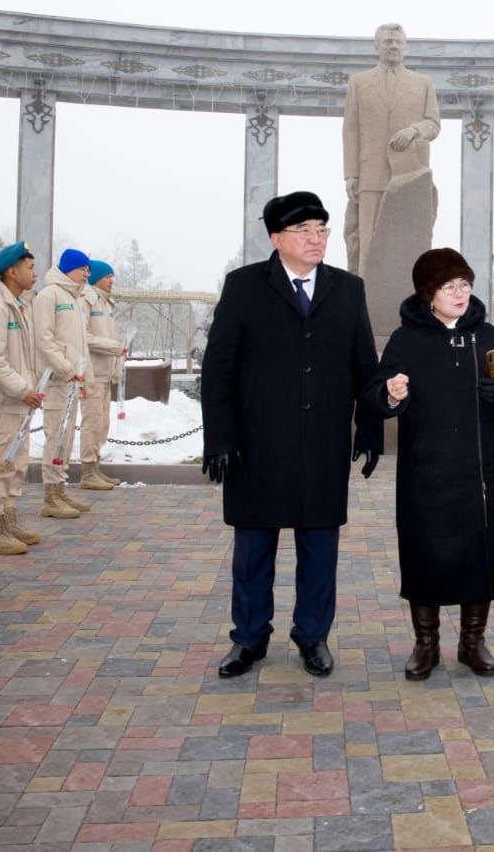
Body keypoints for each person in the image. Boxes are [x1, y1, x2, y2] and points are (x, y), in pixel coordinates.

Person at [200, 191, 383, 679]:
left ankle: (312, 636)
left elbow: (364, 367)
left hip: (322, 445)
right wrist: (219, 439)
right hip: (257, 447)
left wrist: (370, 429)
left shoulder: (348, 289)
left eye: (321, 230)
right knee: (253, 551)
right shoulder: (244, 286)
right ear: (276, 238)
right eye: (303, 231)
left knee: (319, 551)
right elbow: (218, 369)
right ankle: (249, 638)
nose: (315, 239)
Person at [375, 248, 494, 679]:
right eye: (449, 286)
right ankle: (425, 644)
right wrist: (391, 393)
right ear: (428, 293)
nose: (460, 293)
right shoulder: (406, 339)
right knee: (424, 553)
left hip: (479, 472)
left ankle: (472, 642)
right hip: (425, 471)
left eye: (465, 284)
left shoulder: (486, 334)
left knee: (479, 553)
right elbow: (376, 393)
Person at [342, 23, 441, 275]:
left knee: (410, 244)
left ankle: (412, 295)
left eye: (398, 41)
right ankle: (364, 297)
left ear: (406, 47)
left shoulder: (423, 83)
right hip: (370, 174)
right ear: (376, 46)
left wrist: (414, 130)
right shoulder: (358, 82)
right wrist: (351, 174)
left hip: (410, 176)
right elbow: (351, 129)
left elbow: (433, 124)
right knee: (368, 244)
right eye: (387, 41)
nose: (393, 46)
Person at [0, 241, 46, 551]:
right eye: (29, 267)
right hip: (4, 401)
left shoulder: (19, 305)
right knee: (0, 464)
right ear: (11, 272)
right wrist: (22, 388)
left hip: (20, 401)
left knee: (15, 463)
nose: (35, 273)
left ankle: (9, 518)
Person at [33, 248, 93, 517]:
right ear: (68, 268)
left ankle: (60, 488)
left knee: (66, 439)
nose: (86, 274)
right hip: (57, 378)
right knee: (55, 436)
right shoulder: (50, 295)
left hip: (72, 379)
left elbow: (80, 344)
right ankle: (50, 496)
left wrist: (83, 375)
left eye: (88, 270)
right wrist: (64, 368)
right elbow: (44, 339)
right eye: (82, 269)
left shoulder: (76, 299)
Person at [81, 260, 126, 492]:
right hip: (93, 373)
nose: (111, 280)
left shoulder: (107, 303)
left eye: (112, 276)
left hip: (105, 373)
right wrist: (113, 347)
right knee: (92, 422)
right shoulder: (86, 299)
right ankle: (87, 471)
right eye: (107, 276)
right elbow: (84, 337)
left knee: (102, 423)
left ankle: (95, 466)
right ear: (96, 277)